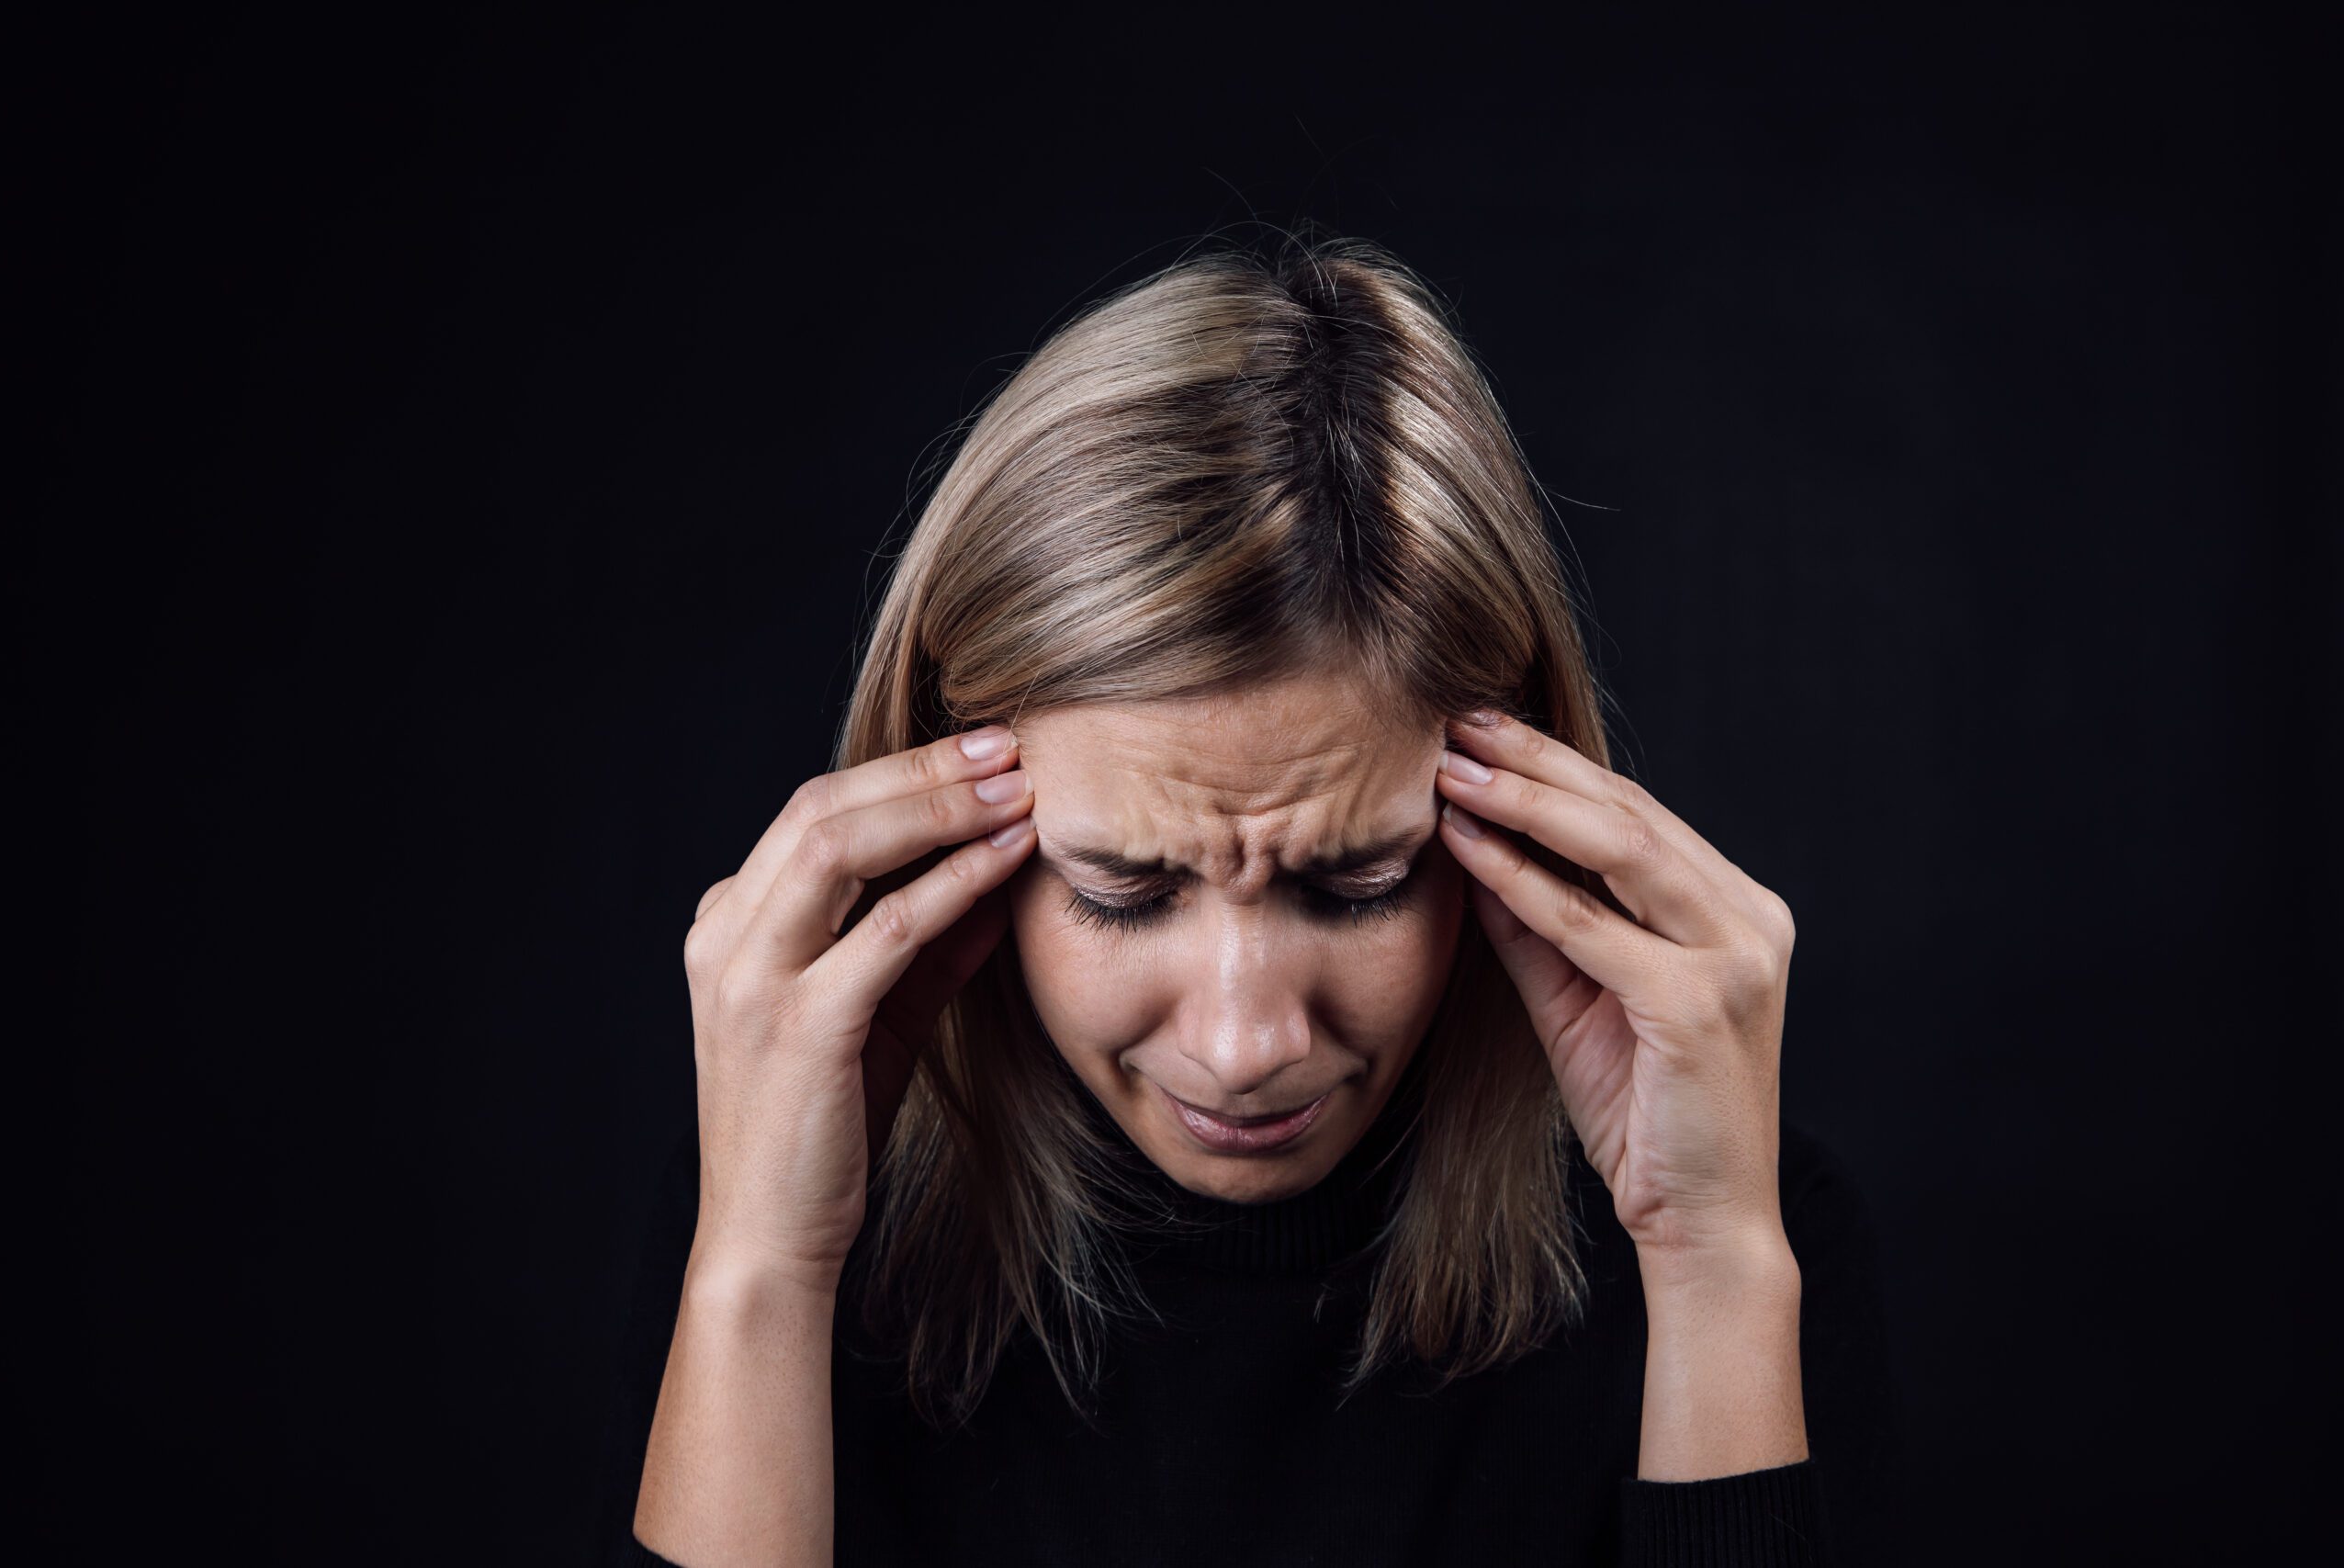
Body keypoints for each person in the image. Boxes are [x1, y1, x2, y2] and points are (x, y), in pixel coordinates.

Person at [592, 233, 1900, 1566]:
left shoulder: (1731, 1222)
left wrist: (1716, 1266)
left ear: (1512, 800)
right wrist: (759, 1273)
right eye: (1123, 890)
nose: (1244, 1042)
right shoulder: (793, 1208)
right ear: (950, 823)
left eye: (1357, 884)